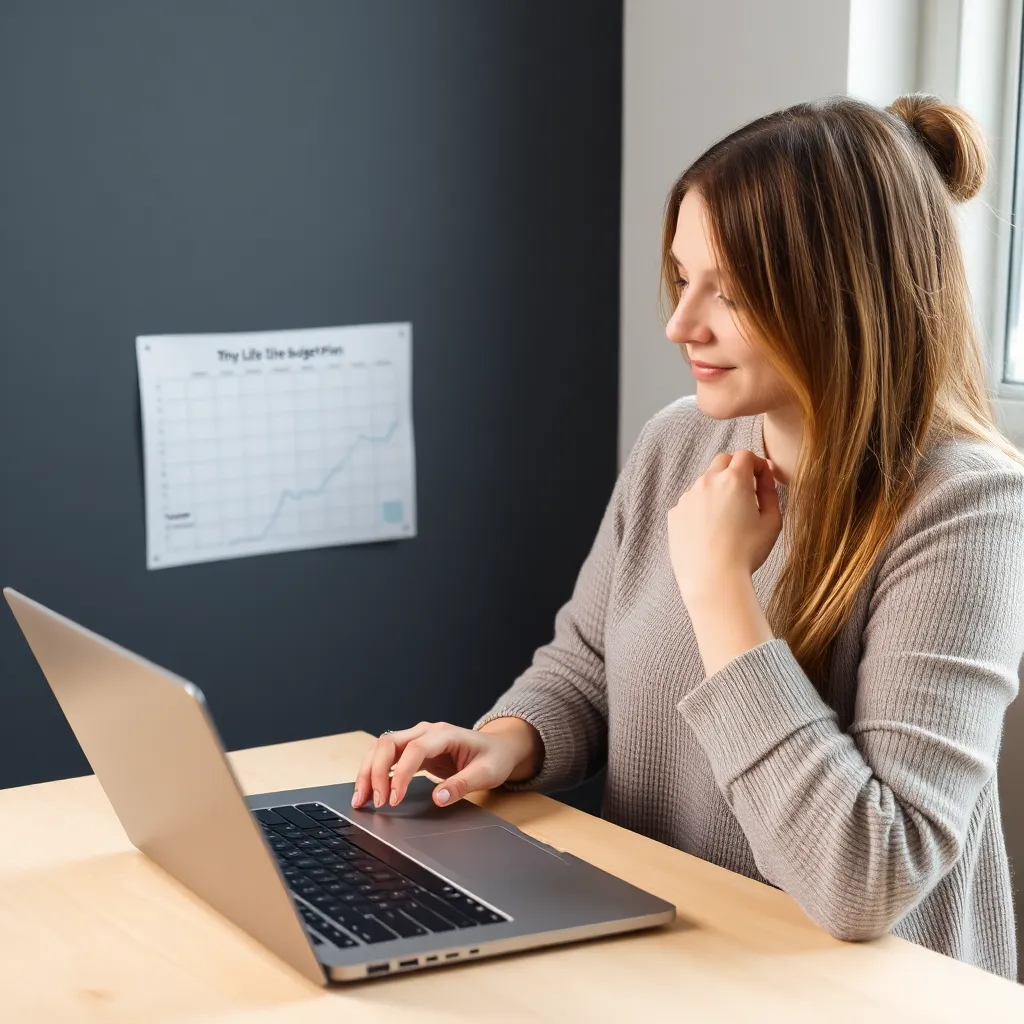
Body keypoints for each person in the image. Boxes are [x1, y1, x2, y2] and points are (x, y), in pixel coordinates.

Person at [353, 94, 1024, 978]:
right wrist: (509, 740)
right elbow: (587, 662)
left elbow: (868, 876)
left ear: (846, 297)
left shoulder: (967, 508)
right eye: (684, 278)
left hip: (852, 991)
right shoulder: (681, 439)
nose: (681, 325)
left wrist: (721, 592)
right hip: (672, 957)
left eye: (733, 293)